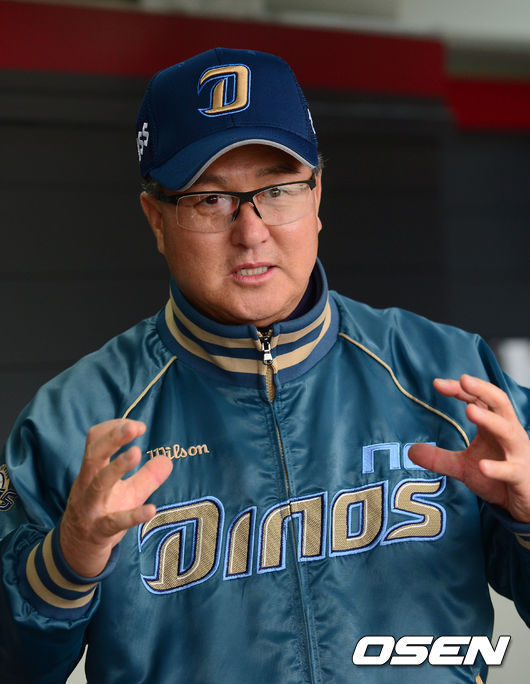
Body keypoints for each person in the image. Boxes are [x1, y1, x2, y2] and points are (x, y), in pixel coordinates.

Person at [0, 47, 528, 684]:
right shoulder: (74, 423)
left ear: (317, 195)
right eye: (210, 200)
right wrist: (66, 564)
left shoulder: (451, 375)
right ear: (156, 219)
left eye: (276, 191)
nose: (250, 232)